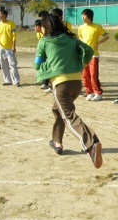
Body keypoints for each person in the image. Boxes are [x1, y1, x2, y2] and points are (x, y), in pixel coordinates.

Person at [33, 13, 103, 169]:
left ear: (46, 27)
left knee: (69, 116)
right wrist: (81, 65)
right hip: (76, 83)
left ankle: (91, 143)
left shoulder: (44, 41)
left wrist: (45, 65)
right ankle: (57, 142)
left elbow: (37, 64)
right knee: (57, 110)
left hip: (60, 85)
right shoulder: (71, 39)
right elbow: (89, 51)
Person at [78, 8, 109, 101]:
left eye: (84, 16)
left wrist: (98, 43)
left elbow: (106, 36)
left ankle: (98, 92)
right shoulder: (80, 28)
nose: (82, 17)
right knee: (85, 75)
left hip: (93, 54)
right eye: (82, 15)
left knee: (93, 74)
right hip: (84, 55)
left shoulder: (97, 27)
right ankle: (89, 92)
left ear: (90, 17)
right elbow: (80, 39)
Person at [0, 9, 21, 87]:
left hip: (9, 48)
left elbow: (14, 35)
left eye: (0, 14)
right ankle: (7, 80)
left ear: (5, 14)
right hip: (1, 47)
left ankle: (16, 81)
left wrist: (14, 46)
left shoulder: (11, 23)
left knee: (12, 64)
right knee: (3, 64)